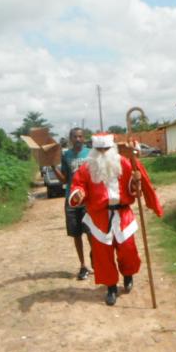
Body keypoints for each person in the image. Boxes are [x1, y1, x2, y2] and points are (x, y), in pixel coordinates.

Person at [68, 133, 162, 306]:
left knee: (128, 250)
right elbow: (78, 185)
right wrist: (78, 194)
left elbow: (134, 189)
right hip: (99, 218)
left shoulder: (125, 163)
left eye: (106, 149)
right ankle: (111, 287)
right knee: (103, 255)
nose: (103, 153)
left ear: (112, 148)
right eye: (99, 149)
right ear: (94, 150)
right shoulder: (87, 168)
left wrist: (136, 182)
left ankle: (128, 274)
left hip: (123, 214)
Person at [54, 128, 91, 280]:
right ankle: (83, 266)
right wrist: (52, 166)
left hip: (88, 200)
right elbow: (63, 180)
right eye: (75, 137)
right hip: (72, 200)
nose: (78, 139)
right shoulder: (66, 155)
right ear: (70, 139)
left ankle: (94, 256)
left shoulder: (90, 154)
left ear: (84, 138)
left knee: (91, 233)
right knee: (76, 235)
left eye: (80, 136)